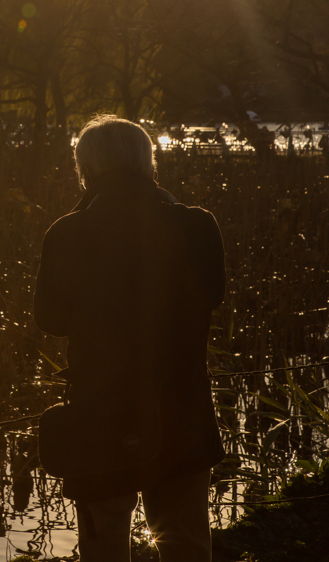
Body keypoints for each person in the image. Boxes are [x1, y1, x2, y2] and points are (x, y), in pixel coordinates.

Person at [34, 115, 225, 562]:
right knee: (186, 540)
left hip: (101, 407)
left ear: (86, 167)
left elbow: (51, 319)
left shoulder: (68, 232)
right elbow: (211, 297)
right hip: (181, 402)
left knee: (104, 540)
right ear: (147, 161)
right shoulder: (196, 226)